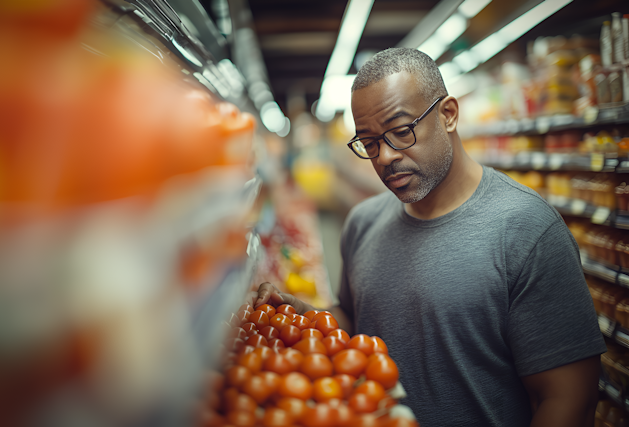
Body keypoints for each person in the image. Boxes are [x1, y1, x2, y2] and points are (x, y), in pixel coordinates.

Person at [248, 47, 606, 427]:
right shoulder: (362, 223)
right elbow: (357, 320)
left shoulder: (527, 230)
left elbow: (569, 399)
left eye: (401, 132)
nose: (384, 156)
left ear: (448, 114)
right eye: (368, 143)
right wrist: (308, 318)